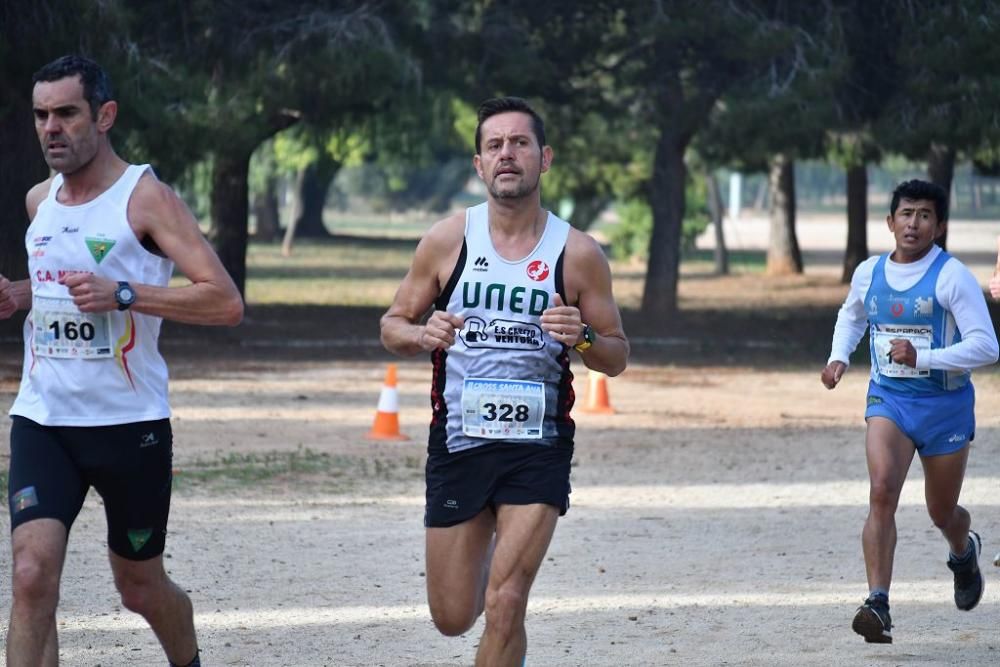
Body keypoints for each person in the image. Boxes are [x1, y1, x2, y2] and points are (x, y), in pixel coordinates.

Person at [0, 55, 243, 666]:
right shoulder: (40, 201)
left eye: (66, 113)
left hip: (127, 426)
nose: (50, 128)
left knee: (139, 587)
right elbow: (62, 283)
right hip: (43, 420)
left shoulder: (147, 198)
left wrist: (128, 294)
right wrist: (21, 295)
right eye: (40, 115)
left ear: (104, 116)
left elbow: (225, 301)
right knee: (31, 577)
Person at [379, 96, 628, 666]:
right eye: (495, 146)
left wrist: (583, 337)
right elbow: (392, 325)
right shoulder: (447, 241)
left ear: (545, 159)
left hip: (536, 448)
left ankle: (510, 564)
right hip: (460, 441)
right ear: (479, 165)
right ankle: (495, 551)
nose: (507, 155)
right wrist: (422, 335)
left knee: (506, 601)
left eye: (519, 144)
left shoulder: (579, 252)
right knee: (452, 616)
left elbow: (616, 356)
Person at [821, 179, 998, 644]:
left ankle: (963, 550)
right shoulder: (868, 271)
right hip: (890, 399)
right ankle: (877, 602)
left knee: (942, 512)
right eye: (906, 213)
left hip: (945, 406)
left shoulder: (951, 276)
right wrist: (839, 356)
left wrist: (926, 358)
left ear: (939, 226)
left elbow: (986, 346)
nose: (913, 223)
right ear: (890, 222)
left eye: (924, 215)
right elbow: (852, 314)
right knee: (881, 491)